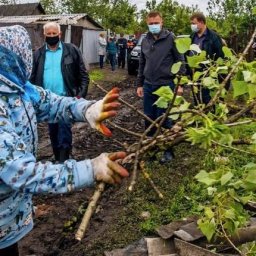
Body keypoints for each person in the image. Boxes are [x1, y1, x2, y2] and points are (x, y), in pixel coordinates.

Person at [0, 25, 129, 255]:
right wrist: (90, 170)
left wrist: (87, 109)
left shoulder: (17, 88)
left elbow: (50, 101)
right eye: (24, 52)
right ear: (12, 58)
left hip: (9, 218)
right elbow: (23, 172)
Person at [30, 22, 90, 163]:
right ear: (44, 35)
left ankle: (63, 159)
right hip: (47, 102)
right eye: (49, 34)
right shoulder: (38, 54)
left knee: (64, 130)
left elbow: (83, 76)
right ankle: (58, 156)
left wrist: (79, 96)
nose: (52, 36)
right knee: (53, 131)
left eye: (54, 34)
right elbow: (32, 78)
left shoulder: (71, 50)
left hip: (66, 99)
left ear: (60, 34)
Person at [136, 11, 185, 163]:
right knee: (149, 119)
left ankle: (167, 151)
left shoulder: (170, 38)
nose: (153, 26)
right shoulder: (145, 40)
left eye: (156, 23)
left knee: (164, 119)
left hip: (166, 85)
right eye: (150, 24)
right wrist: (139, 83)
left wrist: (180, 83)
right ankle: (150, 150)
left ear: (162, 22)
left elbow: (180, 61)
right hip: (149, 85)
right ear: (147, 24)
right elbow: (142, 63)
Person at [189, 12, 225, 105]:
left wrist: (218, 77)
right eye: (191, 24)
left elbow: (221, 57)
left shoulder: (213, 37)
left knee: (209, 102)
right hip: (195, 76)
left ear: (201, 22)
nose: (192, 26)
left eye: (194, 23)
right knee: (198, 102)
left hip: (208, 76)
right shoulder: (192, 36)